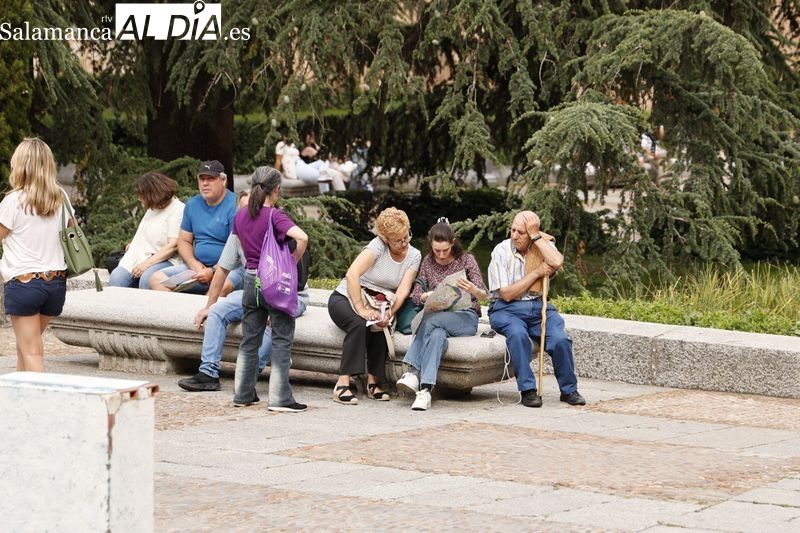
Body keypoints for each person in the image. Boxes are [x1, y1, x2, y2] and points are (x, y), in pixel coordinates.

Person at [178, 190, 310, 392]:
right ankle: (208, 373)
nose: (250, 212)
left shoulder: (277, 226)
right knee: (216, 312)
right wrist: (209, 305)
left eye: (253, 207)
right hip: (255, 291)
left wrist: (277, 304)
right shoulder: (238, 231)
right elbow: (222, 270)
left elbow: (298, 260)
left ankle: (246, 380)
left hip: (289, 295)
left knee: (269, 324)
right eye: (244, 207)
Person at [487, 210, 585, 408]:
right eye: (512, 230)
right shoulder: (501, 250)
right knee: (518, 335)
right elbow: (506, 294)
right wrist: (537, 273)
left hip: (539, 306)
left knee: (560, 340)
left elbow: (556, 262)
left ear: (532, 233)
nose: (514, 235)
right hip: (506, 309)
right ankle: (528, 390)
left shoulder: (542, 246)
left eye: (521, 232)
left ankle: (569, 390)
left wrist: (537, 237)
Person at [231, 166, 308, 412]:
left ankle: (242, 394)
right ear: (276, 190)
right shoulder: (275, 215)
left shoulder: (240, 215)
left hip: (249, 280)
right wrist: (293, 260)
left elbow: (241, 245)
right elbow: (303, 237)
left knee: (249, 340)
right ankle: (279, 398)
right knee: (282, 339)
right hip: (273, 283)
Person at [327, 207, 421, 405]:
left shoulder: (414, 255)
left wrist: (389, 311)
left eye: (407, 236)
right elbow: (352, 274)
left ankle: (374, 381)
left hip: (380, 303)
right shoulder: (377, 247)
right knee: (358, 323)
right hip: (347, 297)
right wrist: (361, 309)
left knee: (380, 325)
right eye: (398, 240)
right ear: (386, 239)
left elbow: (403, 290)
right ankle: (342, 382)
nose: (404, 243)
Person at [395, 218, 488, 411]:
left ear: (453, 242)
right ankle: (426, 391)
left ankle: (412, 371)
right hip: (438, 319)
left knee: (431, 321)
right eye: (437, 250)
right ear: (431, 245)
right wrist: (427, 296)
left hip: (465, 317)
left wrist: (473, 289)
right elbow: (416, 294)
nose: (442, 254)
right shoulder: (428, 262)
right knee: (436, 335)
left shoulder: (466, 260)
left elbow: (484, 294)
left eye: (445, 250)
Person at [0, 138, 70, 372]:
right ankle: (22, 403)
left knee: (32, 352)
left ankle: (43, 406)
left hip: (24, 284)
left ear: (20, 165)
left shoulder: (13, 201)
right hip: (55, 284)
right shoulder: (61, 198)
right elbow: (72, 233)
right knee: (25, 347)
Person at [149, 160, 238, 295]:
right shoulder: (192, 204)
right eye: (201, 179)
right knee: (156, 279)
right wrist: (193, 264)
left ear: (223, 180)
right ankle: (180, 315)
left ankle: (203, 314)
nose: (205, 183)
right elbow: (183, 241)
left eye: (211, 179)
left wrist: (213, 271)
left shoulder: (236, 205)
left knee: (219, 287)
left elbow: (237, 249)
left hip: (228, 269)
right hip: (197, 268)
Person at [108, 172, 185, 289]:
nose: (139, 199)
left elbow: (173, 245)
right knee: (116, 279)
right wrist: (134, 245)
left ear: (152, 194)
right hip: (141, 256)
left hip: (165, 259)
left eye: (142, 195)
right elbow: (145, 233)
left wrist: (145, 265)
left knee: (147, 279)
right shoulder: (153, 207)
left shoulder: (178, 209)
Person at [274, 128, 345, 193]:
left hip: (302, 164)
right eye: (287, 135)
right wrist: (274, 177)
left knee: (322, 163)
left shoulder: (292, 145)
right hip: (296, 168)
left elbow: (319, 154)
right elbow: (278, 161)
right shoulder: (281, 144)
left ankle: (324, 173)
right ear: (283, 136)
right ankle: (339, 198)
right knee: (334, 174)